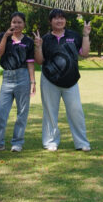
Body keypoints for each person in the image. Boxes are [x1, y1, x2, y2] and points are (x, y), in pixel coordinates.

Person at [34, 9, 92, 152]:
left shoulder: (74, 36)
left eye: (62, 18)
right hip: (49, 80)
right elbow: (40, 61)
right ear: (50, 21)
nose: (59, 21)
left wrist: (85, 35)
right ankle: (50, 141)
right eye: (55, 18)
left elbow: (84, 54)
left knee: (76, 111)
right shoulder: (46, 39)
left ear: (65, 20)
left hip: (71, 81)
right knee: (50, 112)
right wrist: (38, 46)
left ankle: (82, 142)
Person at [0, 12, 37, 152]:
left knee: (22, 112)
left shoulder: (28, 41)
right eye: (14, 22)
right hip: (7, 77)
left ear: (24, 25)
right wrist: (4, 36)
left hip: (23, 77)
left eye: (19, 22)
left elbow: (30, 63)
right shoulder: (4, 37)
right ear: (10, 23)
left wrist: (33, 83)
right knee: (1, 111)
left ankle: (17, 142)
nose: (16, 25)